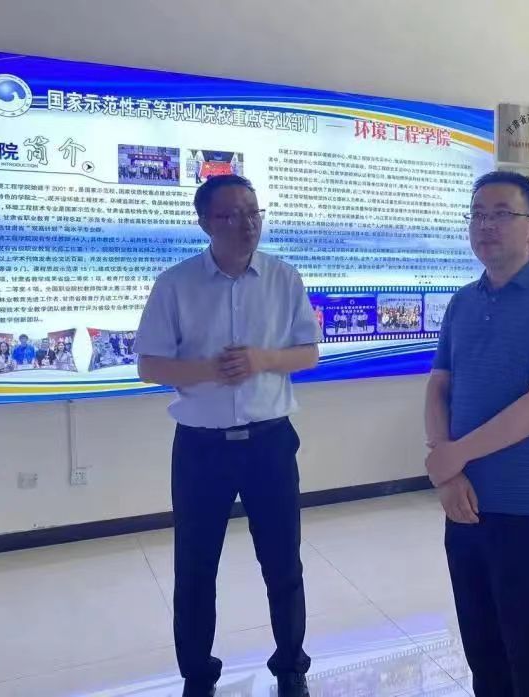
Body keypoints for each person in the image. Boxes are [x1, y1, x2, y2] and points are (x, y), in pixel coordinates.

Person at [135, 174, 320, 697]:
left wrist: (261, 360)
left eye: (253, 212)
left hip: (270, 442)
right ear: (204, 223)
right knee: (195, 568)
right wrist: (209, 371)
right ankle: (198, 675)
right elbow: (149, 365)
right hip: (201, 448)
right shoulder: (175, 284)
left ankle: (291, 667)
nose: (246, 224)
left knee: (283, 564)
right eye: (231, 214)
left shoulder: (284, 277)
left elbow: (308, 353)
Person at [424, 171, 529, 697]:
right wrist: (447, 471)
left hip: (526, 506)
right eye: (477, 215)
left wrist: (454, 456)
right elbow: (439, 387)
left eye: (501, 214)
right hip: (463, 503)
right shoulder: (462, 302)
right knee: (483, 650)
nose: (486, 226)